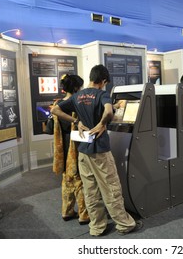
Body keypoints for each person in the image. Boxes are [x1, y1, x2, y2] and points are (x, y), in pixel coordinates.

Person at [51, 65, 143, 236]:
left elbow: (55, 110)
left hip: (83, 151)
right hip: (100, 150)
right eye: (105, 83)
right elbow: (108, 111)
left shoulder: (78, 95)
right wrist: (102, 123)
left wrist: (76, 121)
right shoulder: (102, 94)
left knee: (90, 190)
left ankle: (97, 227)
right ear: (103, 81)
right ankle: (124, 224)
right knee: (111, 187)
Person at [52, 74, 90, 225]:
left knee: (67, 179)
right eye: (79, 87)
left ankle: (67, 211)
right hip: (76, 145)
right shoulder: (76, 104)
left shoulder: (58, 103)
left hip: (62, 146)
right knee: (80, 179)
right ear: (76, 88)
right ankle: (84, 214)